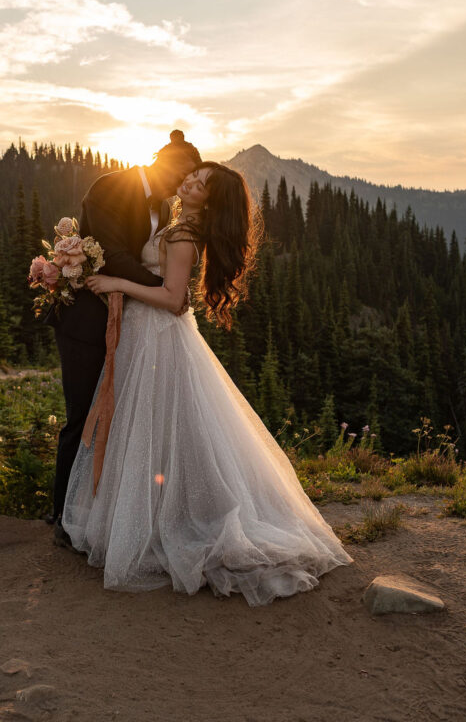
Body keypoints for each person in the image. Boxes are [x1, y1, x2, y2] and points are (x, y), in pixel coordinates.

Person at [61, 162, 354, 606]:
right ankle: (152, 514)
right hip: (145, 335)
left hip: (157, 337)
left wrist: (117, 280)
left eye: (199, 184)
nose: (188, 182)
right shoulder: (178, 225)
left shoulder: (182, 236)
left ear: (210, 201)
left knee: (156, 425)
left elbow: (173, 298)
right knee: (146, 427)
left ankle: (169, 520)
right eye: (192, 177)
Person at [47, 130, 202, 546]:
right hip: (86, 321)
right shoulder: (113, 186)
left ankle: (105, 513)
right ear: (164, 160)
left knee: (122, 419)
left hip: (131, 326)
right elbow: (114, 254)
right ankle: (63, 516)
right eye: (182, 172)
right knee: (84, 417)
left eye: (189, 178)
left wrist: (164, 289)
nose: (182, 183)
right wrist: (165, 287)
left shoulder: (167, 204)